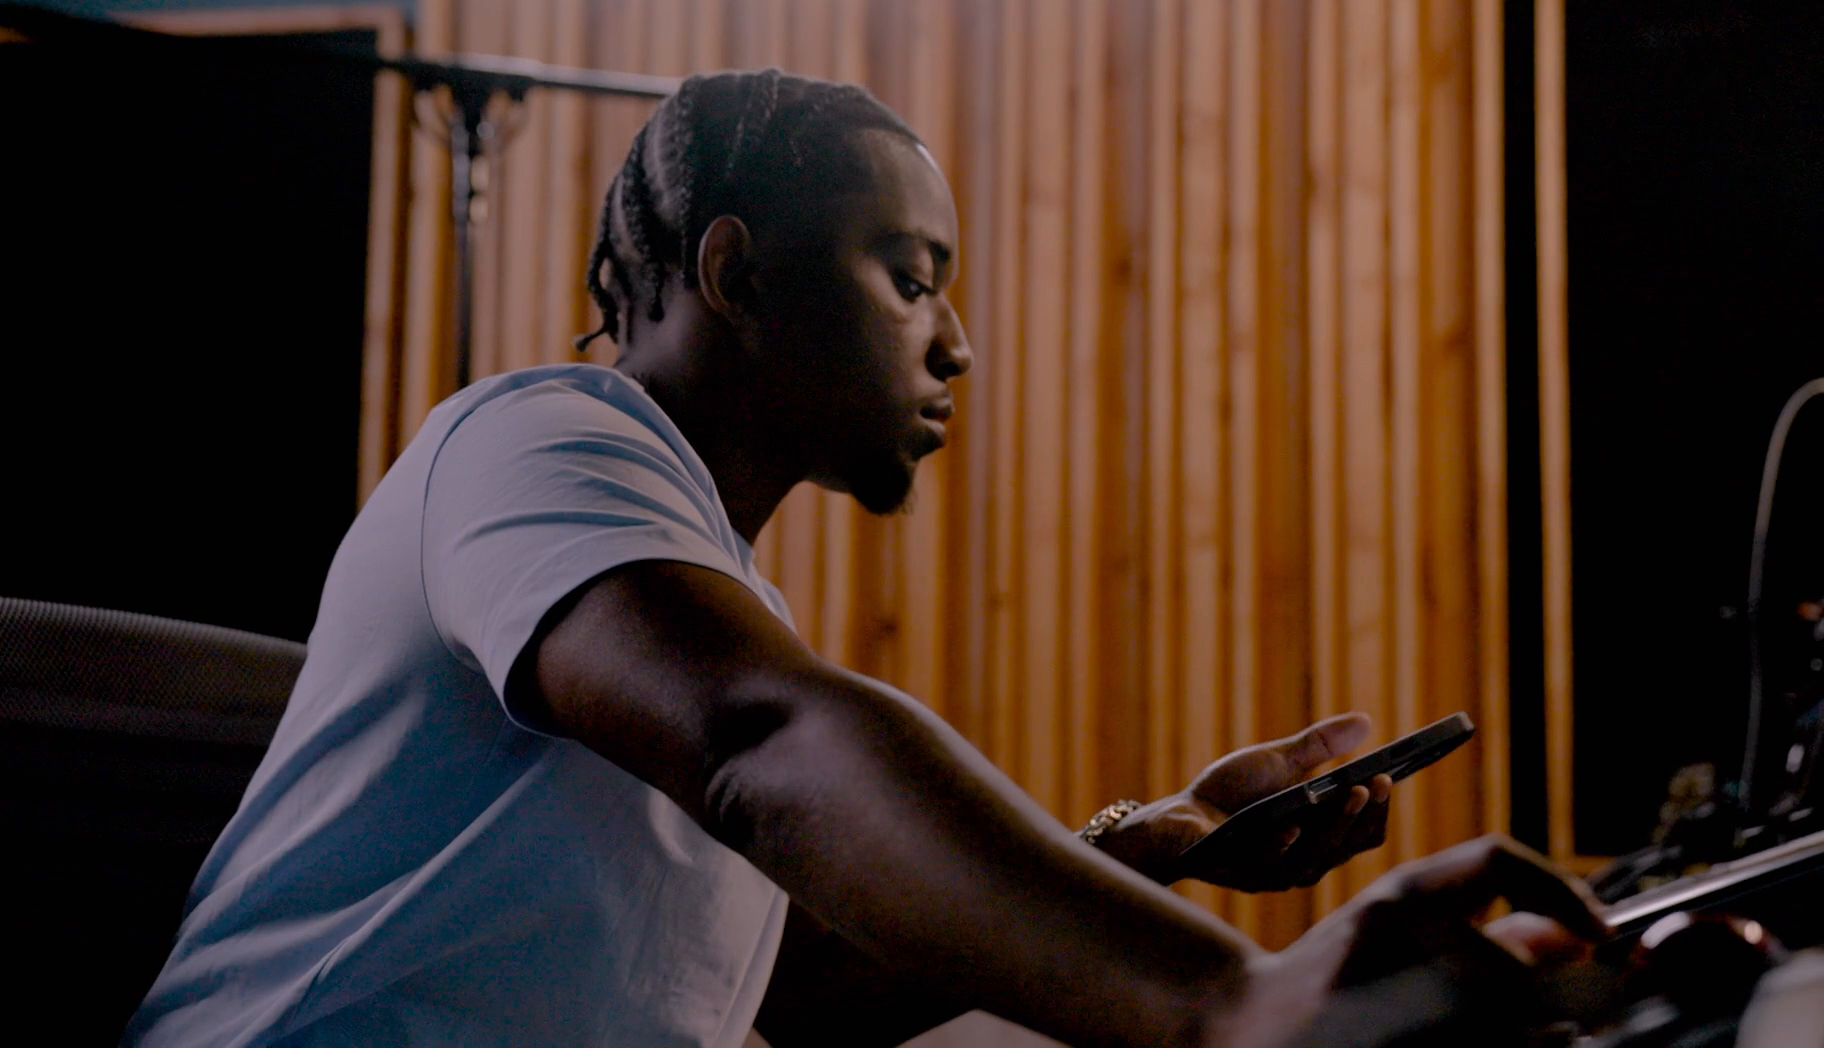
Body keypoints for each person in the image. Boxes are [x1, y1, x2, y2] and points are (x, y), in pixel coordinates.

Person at [126, 70, 1603, 1048]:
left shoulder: (702, 597)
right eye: (909, 279)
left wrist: (1176, 831)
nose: (956, 345)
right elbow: (763, 745)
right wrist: (1231, 1008)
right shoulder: (533, 441)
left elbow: (804, 996)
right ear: (734, 271)